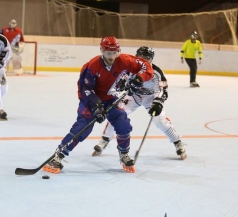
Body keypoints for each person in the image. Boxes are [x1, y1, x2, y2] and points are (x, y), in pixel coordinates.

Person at [42, 36, 153, 174]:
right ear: (101, 50)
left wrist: (139, 78)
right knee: (83, 127)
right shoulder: (93, 66)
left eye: (114, 53)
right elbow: (86, 89)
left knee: (122, 122)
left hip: (111, 98)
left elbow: (145, 66)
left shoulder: (124, 60)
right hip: (90, 100)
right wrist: (96, 106)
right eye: (108, 53)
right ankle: (59, 155)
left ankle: (124, 154)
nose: (111, 56)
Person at [92, 46, 187, 160]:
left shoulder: (156, 72)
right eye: (141, 57)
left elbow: (163, 90)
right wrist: (122, 85)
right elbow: (120, 81)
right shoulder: (129, 68)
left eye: (146, 58)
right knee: (118, 114)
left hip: (151, 97)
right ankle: (105, 139)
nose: (143, 60)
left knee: (159, 120)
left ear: (151, 59)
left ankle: (177, 142)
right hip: (134, 96)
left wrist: (158, 102)